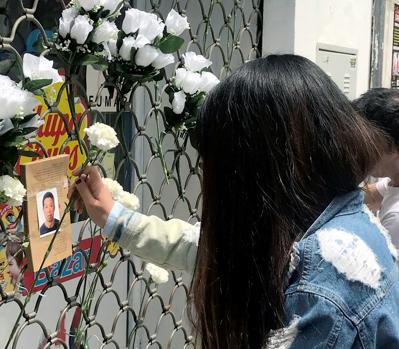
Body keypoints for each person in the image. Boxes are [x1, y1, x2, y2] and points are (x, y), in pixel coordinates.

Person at [70, 55, 399, 348]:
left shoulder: (324, 279)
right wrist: (113, 217)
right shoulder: (337, 223)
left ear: (254, 169)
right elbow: (209, 248)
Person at [353, 88, 399, 248]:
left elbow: (383, 271)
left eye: (369, 142)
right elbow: (371, 195)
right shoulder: (394, 181)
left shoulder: (396, 218)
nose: (361, 149)